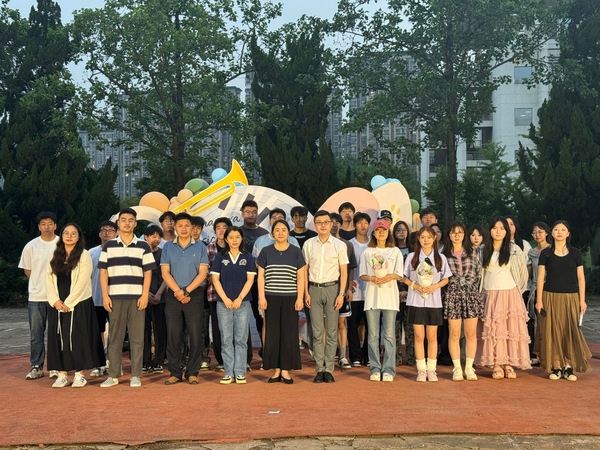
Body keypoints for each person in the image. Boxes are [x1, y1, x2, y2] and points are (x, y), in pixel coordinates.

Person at [99, 208, 155, 387]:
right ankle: (113, 375)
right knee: (115, 337)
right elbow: (103, 272)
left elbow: (148, 272)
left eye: (131, 220)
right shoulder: (109, 246)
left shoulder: (143, 246)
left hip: (137, 298)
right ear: (118, 223)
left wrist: (145, 295)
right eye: (123, 220)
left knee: (137, 338)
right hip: (115, 297)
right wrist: (105, 296)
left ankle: (135, 375)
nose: (127, 223)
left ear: (135, 224)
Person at [46, 223, 105, 388]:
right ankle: (63, 374)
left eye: (73, 233)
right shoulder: (55, 254)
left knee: (78, 338)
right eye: (66, 233)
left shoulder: (84, 255)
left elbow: (83, 280)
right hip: (58, 304)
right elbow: (48, 278)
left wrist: (69, 302)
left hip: (79, 302)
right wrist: (55, 301)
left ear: (79, 237)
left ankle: (79, 374)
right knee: (60, 338)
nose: (69, 236)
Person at [536, 220, 591, 381]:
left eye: (563, 229)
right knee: (553, 331)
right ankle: (557, 366)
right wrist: (539, 300)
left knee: (569, 331)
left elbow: (581, 278)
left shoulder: (575, 253)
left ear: (568, 233)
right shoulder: (546, 253)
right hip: (550, 296)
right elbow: (540, 278)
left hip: (571, 297)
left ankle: (568, 367)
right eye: (556, 229)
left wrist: (582, 300)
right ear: (551, 233)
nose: (559, 232)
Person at [476, 217, 530, 379]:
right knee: (492, 331)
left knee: (509, 330)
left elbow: (522, 274)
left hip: (509, 294)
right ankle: (496, 365)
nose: (498, 231)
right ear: (489, 230)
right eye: (495, 228)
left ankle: (508, 364)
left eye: (502, 228)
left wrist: (517, 292)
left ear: (507, 231)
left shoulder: (514, 249)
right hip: (489, 294)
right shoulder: (482, 249)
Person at [161, 212, 209, 385]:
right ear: (175, 227)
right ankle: (175, 372)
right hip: (173, 295)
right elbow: (165, 272)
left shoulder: (200, 247)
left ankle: (192, 372)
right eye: (180, 226)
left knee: (195, 335)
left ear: (192, 228)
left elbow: (202, 274)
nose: (183, 229)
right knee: (173, 335)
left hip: (194, 295)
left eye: (187, 226)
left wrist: (186, 291)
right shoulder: (168, 247)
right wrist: (178, 292)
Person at [257, 219, 306, 384]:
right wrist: (262, 297)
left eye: (283, 230)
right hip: (270, 298)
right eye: (277, 230)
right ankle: (276, 369)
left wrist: (299, 298)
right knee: (272, 334)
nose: (280, 233)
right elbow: (261, 277)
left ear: (288, 232)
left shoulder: (296, 252)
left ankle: (285, 370)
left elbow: (301, 277)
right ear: (272, 233)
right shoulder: (266, 251)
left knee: (289, 334)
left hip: (290, 298)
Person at [303, 211, 349, 383]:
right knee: (316, 332)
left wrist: (341, 293)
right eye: (319, 222)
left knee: (331, 331)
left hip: (333, 289)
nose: (323, 225)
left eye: (326, 222)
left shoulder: (339, 245)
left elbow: (344, 271)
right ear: (315, 224)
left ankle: (329, 369)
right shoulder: (308, 244)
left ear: (331, 224)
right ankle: (319, 369)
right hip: (313, 289)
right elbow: (304, 270)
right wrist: (305, 292)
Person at [402, 226, 451, 382]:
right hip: (415, 301)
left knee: (432, 336)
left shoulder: (440, 258)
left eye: (429, 237)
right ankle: (421, 370)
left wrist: (434, 287)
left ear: (434, 238)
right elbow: (404, 277)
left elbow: (446, 279)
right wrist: (415, 286)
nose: (426, 240)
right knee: (418, 336)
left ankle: (432, 370)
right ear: (418, 238)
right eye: (422, 237)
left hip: (434, 302)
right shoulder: (412, 257)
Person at [359, 219, 404, 382]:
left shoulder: (395, 251)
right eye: (378, 230)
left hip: (390, 298)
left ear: (388, 232)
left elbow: (399, 273)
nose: (381, 233)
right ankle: (375, 368)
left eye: (384, 230)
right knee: (373, 336)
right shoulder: (367, 252)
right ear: (374, 232)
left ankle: (389, 369)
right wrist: (373, 278)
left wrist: (388, 277)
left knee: (390, 335)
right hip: (372, 297)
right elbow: (362, 274)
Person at [211, 226, 256, 384]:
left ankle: (240, 372)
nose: (234, 240)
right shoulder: (220, 257)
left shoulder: (248, 257)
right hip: (223, 304)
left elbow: (250, 280)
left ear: (242, 238)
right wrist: (225, 299)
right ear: (226, 239)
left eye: (237, 237)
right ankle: (228, 372)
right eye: (231, 237)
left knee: (241, 338)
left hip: (242, 303)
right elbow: (215, 280)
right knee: (226, 338)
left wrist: (239, 298)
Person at [19, 211, 59, 380]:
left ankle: (56, 366)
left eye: (50, 224)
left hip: (57, 297)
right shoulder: (31, 246)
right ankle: (37, 366)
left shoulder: (61, 244)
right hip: (36, 296)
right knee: (36, 334)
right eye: (43, 224)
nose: (47, 227)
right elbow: (28, 270)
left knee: (56, 333)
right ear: (39, 227)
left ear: (55, 226)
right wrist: (39, 283)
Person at [441, 222, 483, 381]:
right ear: (449, 235)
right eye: (453, 233)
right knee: (454, 333)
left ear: (464, 234)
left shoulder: (473, 252)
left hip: (471, 294)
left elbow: (478, 274)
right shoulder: (443, 254)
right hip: (452, 295)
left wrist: (469, 286)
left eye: (460, 232)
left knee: (471, 333)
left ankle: (469, 368)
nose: (457, 235)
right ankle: (457, 368)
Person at [240, 200, 268, 359]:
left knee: (260, 317)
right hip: (240, 281)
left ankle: (265, 349)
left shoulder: (264, 233)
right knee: (241, 318)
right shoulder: (236, 232)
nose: (251, 215)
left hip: (259, 282)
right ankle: (245, 355)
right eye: (248, 211)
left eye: (254, 212)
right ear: (242, 213)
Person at [89, 220, 117, 377]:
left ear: (116, 234)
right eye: (104, 230)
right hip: (97, 299)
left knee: (116, 332)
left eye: (110, 230)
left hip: (116, 299)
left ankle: (114, 363)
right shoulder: (91, 253)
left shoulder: (120, 251)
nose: (107, 232)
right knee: (97, 332)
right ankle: (99, 363)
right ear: (99, 234)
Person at [205, 217, 233, 371]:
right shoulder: (209, 248)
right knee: (218, 329)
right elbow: (206, 271)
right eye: (218, 227)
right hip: (215, 295)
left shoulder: (235, 247)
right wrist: (216, 277)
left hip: (235, 295)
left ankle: (242, 360)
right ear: (215, 230)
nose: (221, 230)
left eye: (225, 227)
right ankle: (221, 361)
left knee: (237, 328)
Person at [330, 212, 357, 369]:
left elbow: (350, 268)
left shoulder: (347, 245)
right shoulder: (320, 244)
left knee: (341, 323)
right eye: (331, 222)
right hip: (325, 289)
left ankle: (342, 356)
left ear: (341, 225)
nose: (334, 225)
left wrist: (349, 288)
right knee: (326, 325)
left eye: (337, 222)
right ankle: (328, 356)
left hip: (341, 290)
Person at [142, 225, 167, 374]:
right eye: (153, 236)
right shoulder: (140, 254)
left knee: (160, 331)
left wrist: (159, 293)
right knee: (143, 332)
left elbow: (167, 275)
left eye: (159, 236)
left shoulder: (163, 254)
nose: (156, 239)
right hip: (142, 298)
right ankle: (145, 361)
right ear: (146, 237)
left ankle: (158, 361)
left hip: (160, 298)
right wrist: (144, 293)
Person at [526, 221, 551, 366]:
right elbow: (528, 273)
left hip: (550, 289)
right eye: (534, 232)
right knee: (535, 322)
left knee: (549, 322)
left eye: (540, 232)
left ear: (547, 233)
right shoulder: (531, 252)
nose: (537, 235)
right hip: (535, 289)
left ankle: (549, 353)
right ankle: (536, 354)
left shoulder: (552, 250)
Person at [348, 212, 371, 366]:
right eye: (359, 223)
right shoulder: (349, 244)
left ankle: (369, 356)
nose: (363, 226)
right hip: (355, 292)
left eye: (366, 223)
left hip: (371, 292)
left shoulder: (374, 244)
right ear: (354, 225)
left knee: (371, 327)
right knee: (352, 326)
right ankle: (355, 356)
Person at [392, 220, 414, 366]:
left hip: (411, 293)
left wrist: (407, 290)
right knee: (394, 328)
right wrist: (396, 290)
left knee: (410, 328)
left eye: (404, 230)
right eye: (398, 230)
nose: (401, 232)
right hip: (393, 294)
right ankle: (396, 358)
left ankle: (412, 358)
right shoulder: (391, 250)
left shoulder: (414, 251)